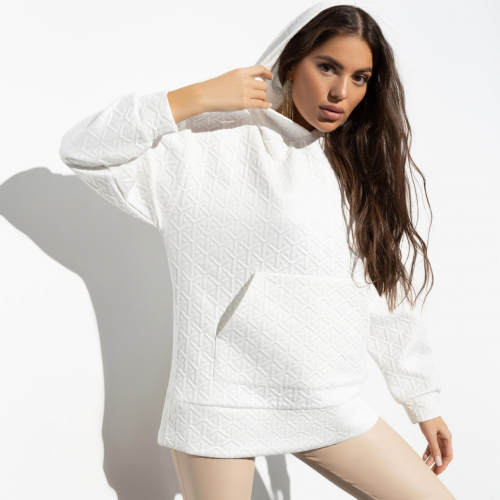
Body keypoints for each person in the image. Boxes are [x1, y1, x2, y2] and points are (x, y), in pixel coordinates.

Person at [59, 0, 457, 498]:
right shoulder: (208, 144)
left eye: (359, 78)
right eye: (327, 67)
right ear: (290, 65)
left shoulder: (354, 169)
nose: (341, 92)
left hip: (326, 398)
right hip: (221, 402)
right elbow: (83, 150)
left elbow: (382, 295)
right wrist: (193, 98)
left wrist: (423, 402)